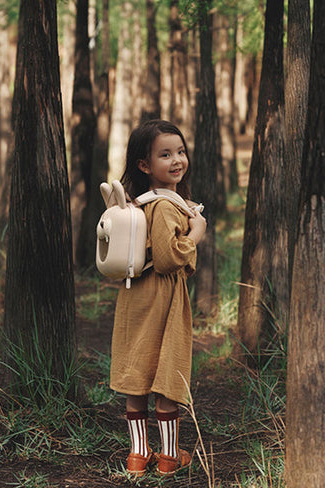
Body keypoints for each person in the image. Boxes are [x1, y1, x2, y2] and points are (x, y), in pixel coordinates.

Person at [110, 119, 206, 477]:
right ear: (144, 165)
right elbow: (168, 259)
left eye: (180, 152)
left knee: (138, 369)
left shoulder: (144, 202)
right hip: (163, 297)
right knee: (167, 367)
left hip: (136, 296)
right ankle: (168, 457)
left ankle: (138, 456)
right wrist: (196, 233)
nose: (177, 160)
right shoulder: (166, 207)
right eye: (165, 155)